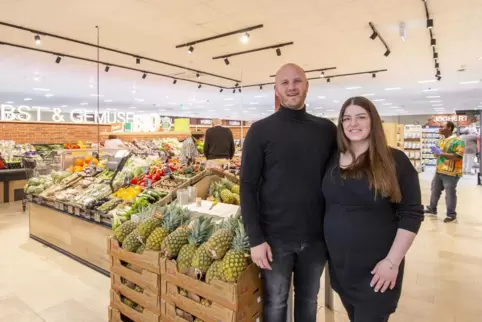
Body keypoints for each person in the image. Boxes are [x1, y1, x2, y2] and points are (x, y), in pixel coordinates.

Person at [240, 63, 337, 322]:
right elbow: (247, 186)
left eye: (297, 81)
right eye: (285, 82)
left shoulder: (327, 130)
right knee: (275, 302)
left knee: (308, 301)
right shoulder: (260, 131)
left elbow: (339, 178)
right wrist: (255, 239)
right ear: (276, 89)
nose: (291, 87)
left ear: (307, 85)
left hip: (316, 239)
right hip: (274, 239)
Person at [322, 97, 423, 322]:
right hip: (342, 268)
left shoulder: (395, 160)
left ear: (373, 121)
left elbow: (412, 213)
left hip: (378, 269)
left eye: (361, 117)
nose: (353, 123)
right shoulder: (331, 159)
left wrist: (392, 262)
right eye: (346, 118)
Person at [424, 121, 465, 223]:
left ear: (450, 128)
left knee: (450, 193)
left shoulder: (458, 141)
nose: (439, 128)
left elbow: (458, 156)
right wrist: (436, 153)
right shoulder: (440, 140)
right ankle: (432, 209)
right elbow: (438, 155)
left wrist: (442, 153)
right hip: (439, 170)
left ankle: (451, 215)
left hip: (451, 172)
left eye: (442, 126)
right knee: (434, 190)